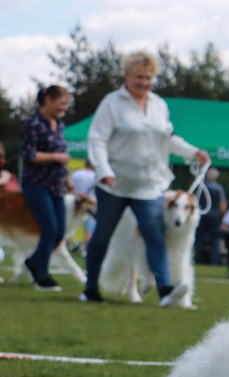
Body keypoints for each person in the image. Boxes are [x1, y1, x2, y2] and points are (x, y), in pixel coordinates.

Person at [83, 51, 211, 305]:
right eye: (139, 77)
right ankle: (90, 288)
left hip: (149, 185)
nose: (144, 82)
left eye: (149, 77)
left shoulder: (159, 105)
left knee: (154, 235)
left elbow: (168, 138)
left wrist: (193, 152)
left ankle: (165, 290)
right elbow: (97, 139)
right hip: (114, 184)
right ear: (127, 76)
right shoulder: (111, 103)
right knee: (102, 236)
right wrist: (103, 170)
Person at [19, 85, 73, 292]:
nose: (64, 108)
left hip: (57, 185)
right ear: (48, 100)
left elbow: (62, 152)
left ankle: (32, 262)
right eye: (61, 103)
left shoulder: (59, 125)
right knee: (49, 228)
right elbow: (29, 155)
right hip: (36, 184)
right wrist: (55, 157)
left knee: (59, 232)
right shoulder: (33, 124)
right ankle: (42, 276)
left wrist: (67, 177)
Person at [194, 167, 227, 265]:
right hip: (215, 217)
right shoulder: (219, 188)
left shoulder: (201, 186)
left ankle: (197, 259)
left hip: (201, 215)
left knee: (199, 239)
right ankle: (214, 261)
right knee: (215, 239)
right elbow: (222, 204)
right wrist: (224, 217)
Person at [70, 159, 97, 255]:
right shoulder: (95, 176)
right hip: (90, 203)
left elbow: (71, 186)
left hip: (77, 202)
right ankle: (85, 251)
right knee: (89, 228)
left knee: (70, 226)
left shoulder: (76, 173)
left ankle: (66, 247)